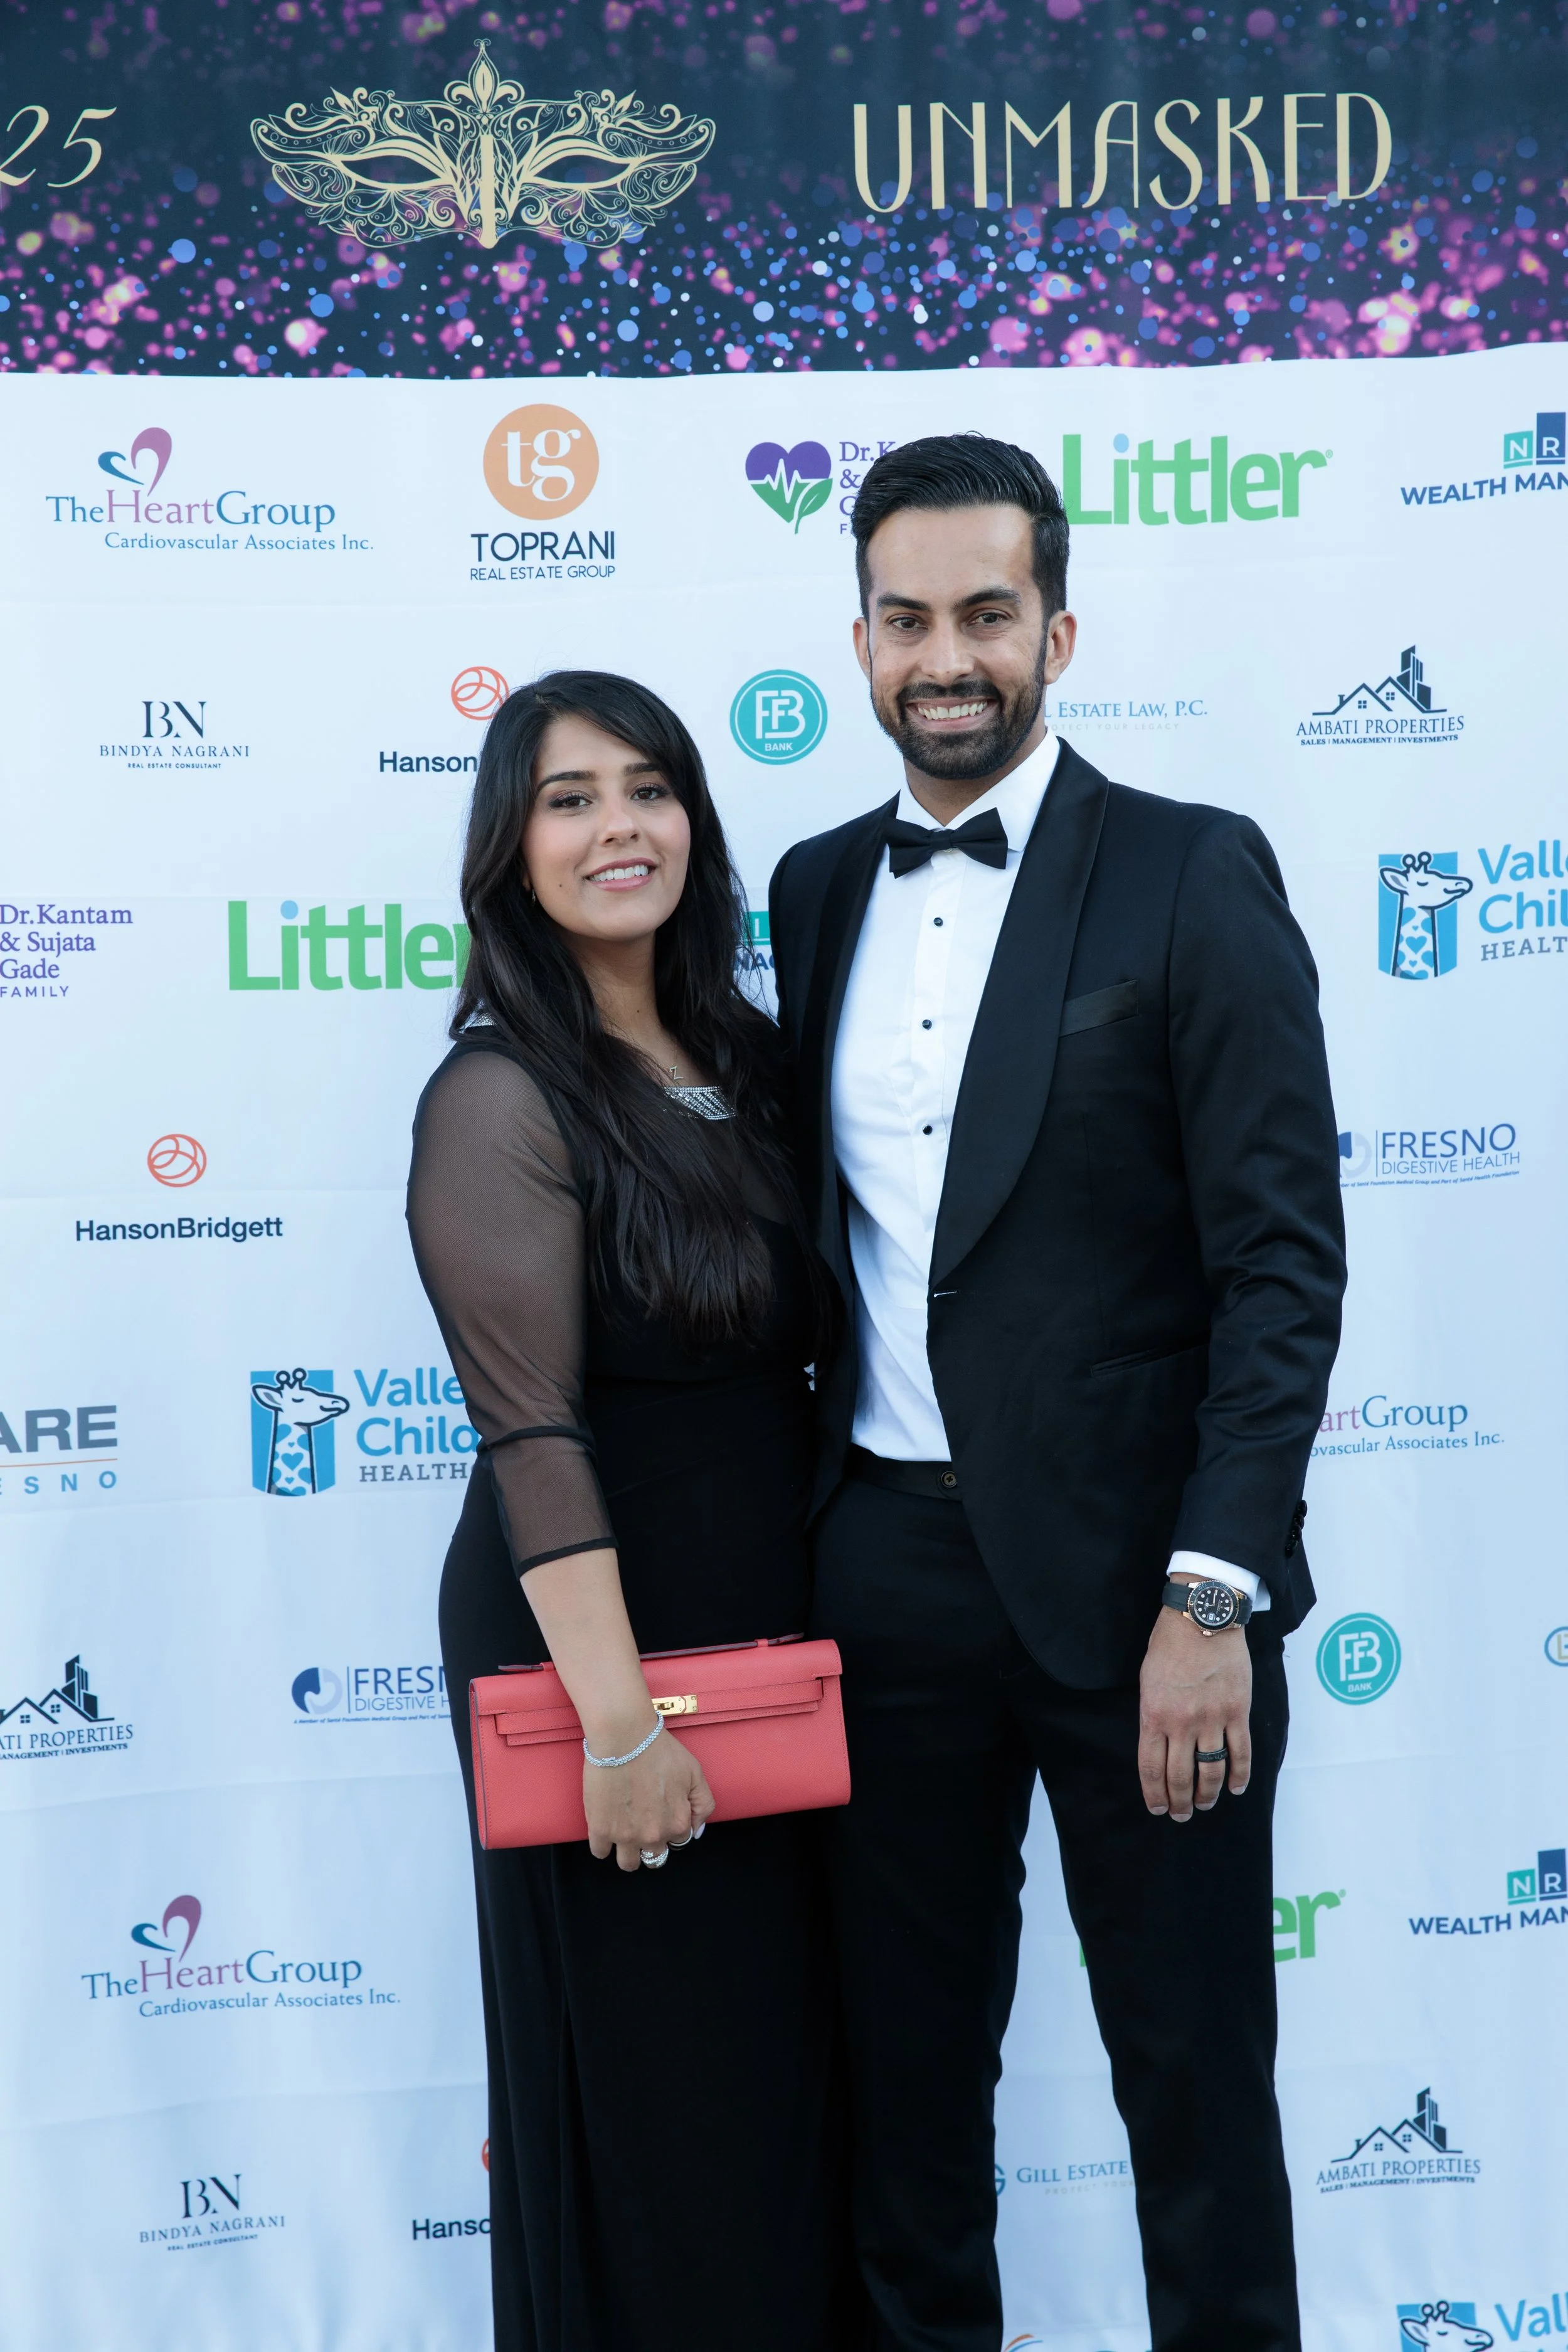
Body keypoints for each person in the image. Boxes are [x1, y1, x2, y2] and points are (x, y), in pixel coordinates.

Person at [768, 435, 1347, 2352]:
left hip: (1139, 1595)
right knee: (903, 2095)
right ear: (859, 640)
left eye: (985, 613)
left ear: (1057, 631)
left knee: (1192, 2082)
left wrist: (1211, 1592)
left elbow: (1279, 1266)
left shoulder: (1191, 867)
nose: (945, 655)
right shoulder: (814, 885)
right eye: (905, 617)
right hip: (883, 1578)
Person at [408, 670, 849, 2352]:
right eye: (570, 797)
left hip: (781, 1638)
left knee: (787, 2084)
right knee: (666, 2096)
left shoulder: (749, 1057)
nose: (619, 827)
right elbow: (531, 1431)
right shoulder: (499, 1094)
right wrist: (619, 1727)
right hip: (604, 1654)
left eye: (649, 789)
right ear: (509, 849)